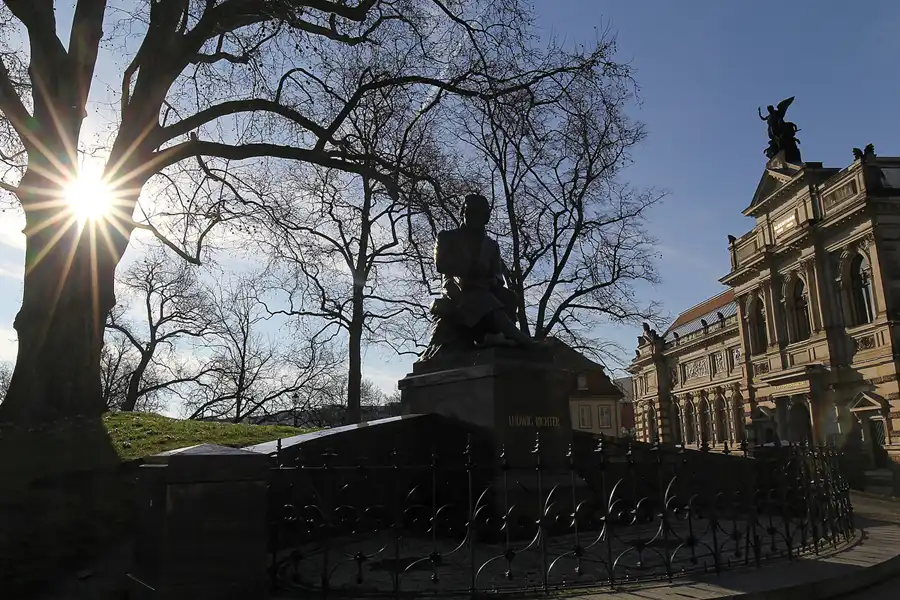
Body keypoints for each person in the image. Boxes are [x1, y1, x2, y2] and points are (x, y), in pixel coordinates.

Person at [420, 193, 534, 361]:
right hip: (457, 288)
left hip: (484, 288)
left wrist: (492, 280)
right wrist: (469, 270)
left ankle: (494, 337)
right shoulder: (447, 237)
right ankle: (520, 338)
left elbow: (497, 274)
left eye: (478, 213)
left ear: (485, 217)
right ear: (462, 213)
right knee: (483, 299)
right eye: (469, 211)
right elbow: (441, 265)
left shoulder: (491, 245)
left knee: (509, 297)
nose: (472, 216)